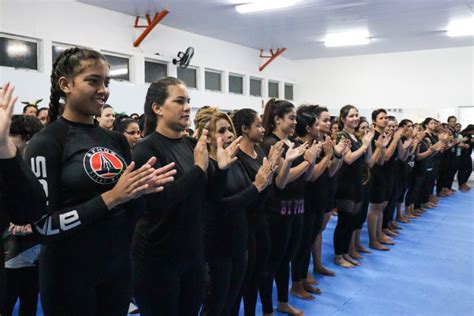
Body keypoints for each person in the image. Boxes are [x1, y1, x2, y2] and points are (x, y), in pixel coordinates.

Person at [25, 48, 176, 316]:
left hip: (117, 268)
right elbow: (43, 227)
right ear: (65, 85)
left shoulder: (116, 140)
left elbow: (131, 210)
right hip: (68, 274)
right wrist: (111, 198)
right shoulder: (46, 142)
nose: (103, 90)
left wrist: (142, 192)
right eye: (93, 81)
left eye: (107, 82)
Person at [131, 77, 236, 315]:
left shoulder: (191, 145)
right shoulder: (146, 149)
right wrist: (198, 170)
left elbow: (212, 199)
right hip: (158, 259)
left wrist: (221, 170)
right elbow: (159, 204)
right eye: (179, 101)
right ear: (157, 108)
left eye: (188, 101)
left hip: (193, 254)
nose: (187, 107)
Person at [199, 108, 275, 316]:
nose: (229, 135)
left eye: (229, 130)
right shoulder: (207, 167)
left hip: (240, 241)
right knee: (216, 304)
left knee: (233, 300)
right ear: (207, 137)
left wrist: (267, 177)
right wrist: (256, 187)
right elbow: (217, 208)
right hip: (218, 246)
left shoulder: (235, 162)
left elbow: (250, 202)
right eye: (222, 131)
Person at [259, 98, 319, 316]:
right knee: (273, 261)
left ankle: (283, 301)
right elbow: (281, 181)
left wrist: (311, 160)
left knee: (287, 258)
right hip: (277, 211)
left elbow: (308, 177)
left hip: (297, 207)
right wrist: (306, 162)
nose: (295, 122)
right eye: (291, 118)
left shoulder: (293, 142)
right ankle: (266, 308)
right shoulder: (270, 144)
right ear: (277, 119)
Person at [230, 108, 283, 316]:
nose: (262, 129)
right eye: (258, 125)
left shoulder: (259, 152)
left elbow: (270, 185)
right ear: (244, 129)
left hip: (263, 220)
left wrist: (275, 162)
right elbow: (251, 190)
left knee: (259, 273)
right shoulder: (237, 157)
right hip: (246, 222)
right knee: (242, 280)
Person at [0, 82, 46, 315]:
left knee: (29, 296)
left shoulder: (37, 165)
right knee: (8, 299)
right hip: (12, 250)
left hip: (33, 247)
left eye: (10, 134)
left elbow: (37, 207)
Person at [333, 105, 374, 268]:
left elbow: (368, 160)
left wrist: (368, 142)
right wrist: (363, 145)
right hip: (345, 185)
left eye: (357, 115)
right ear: (343, 119)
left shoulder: (356, 137)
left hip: (358, 184)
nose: (355, 118)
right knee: (344, 221)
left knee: (352, 221)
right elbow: (348, 159)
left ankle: (345, 252)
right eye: (351, 116)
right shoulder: (342, 136)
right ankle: (338, 255)